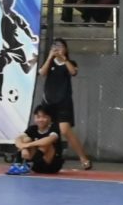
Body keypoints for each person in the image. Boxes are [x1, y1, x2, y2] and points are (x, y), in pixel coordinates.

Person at [37, 38, 91, 170]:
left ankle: (83, 158)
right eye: (55, 46)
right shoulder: (49, 62)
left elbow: (73, 72)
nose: (57, 48)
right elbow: (42, 73)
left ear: (65, 49)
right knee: (49, 131)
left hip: (64, 102)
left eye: (60, 46)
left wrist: (64, 59)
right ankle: (50, 158)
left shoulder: (70, 62)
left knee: (65, 130)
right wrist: (50, 57)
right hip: (48, 102)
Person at [10, 106, 65, 174]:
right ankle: (18, 164)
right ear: (34, 118)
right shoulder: (32, 128)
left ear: (50, 118)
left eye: (44, 117)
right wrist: (23, 148)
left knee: (45, 143)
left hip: (51, 166)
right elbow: (18, 138)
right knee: (26, 139)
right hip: (35, 166)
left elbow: (50, 139)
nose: (41, 120)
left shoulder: (54, 128)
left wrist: (28, 145)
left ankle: (30, 164)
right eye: (38, 117)